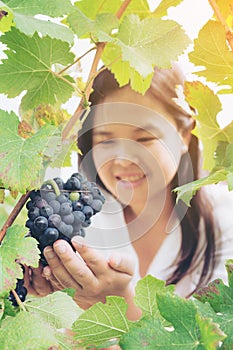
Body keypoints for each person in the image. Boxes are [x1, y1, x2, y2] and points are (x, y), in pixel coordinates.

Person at [25, 64, 233, 321]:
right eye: (106, 140)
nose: (122, 160)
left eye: (144, 139)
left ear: (184, 134)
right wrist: (43, 290)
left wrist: (118, 307)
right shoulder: (78, 222)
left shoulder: (227, 221)